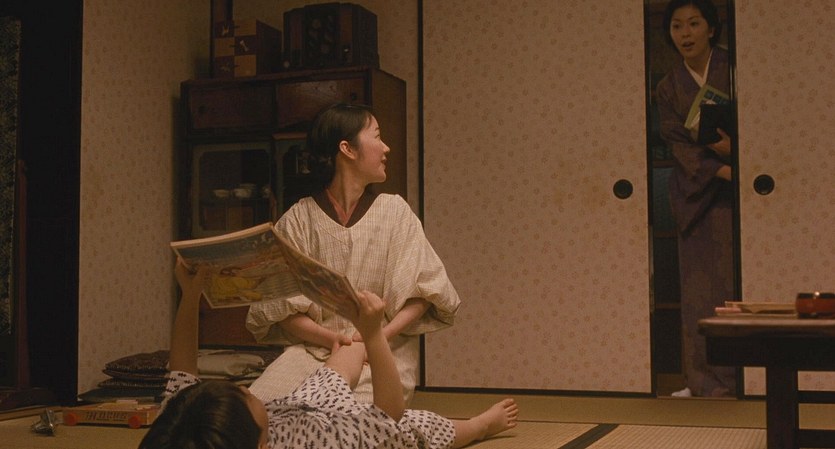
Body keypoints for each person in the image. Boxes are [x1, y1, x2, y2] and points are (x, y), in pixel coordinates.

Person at [138, 261, 518, 449]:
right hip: (335, 427)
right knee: (416, 428)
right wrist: (374, 335)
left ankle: (352, 347)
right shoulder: (330, 442)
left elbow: (182, 373)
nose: (245, 389)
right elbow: (388, 414)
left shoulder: (187, 431)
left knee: (346, 352)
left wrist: (190, 295)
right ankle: (482, 426)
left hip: (296, 409)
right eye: (244, 397)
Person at [245, 103, 461, 405]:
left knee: (350, 419)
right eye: (377, 136)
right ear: (347, 149)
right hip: (313, 351)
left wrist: (373, 338)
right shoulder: (298, 219)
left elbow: (423, 293)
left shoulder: (395, 212)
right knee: (257, 409)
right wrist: (333, 339)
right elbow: (279, 308)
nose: (386, 148)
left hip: (382, 353)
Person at [656, 0, 736, 398]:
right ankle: (702, 381)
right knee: (699, 291)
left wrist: (737, 154)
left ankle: (743, 379)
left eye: (693, 23)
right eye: (677, 26)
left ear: (712, 28)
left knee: (738, 285)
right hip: (697, 194)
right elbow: (676, 143)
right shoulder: (668, 86)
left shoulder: (735, 68)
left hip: (747, 192)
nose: (685, 33)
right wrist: (723, 170)